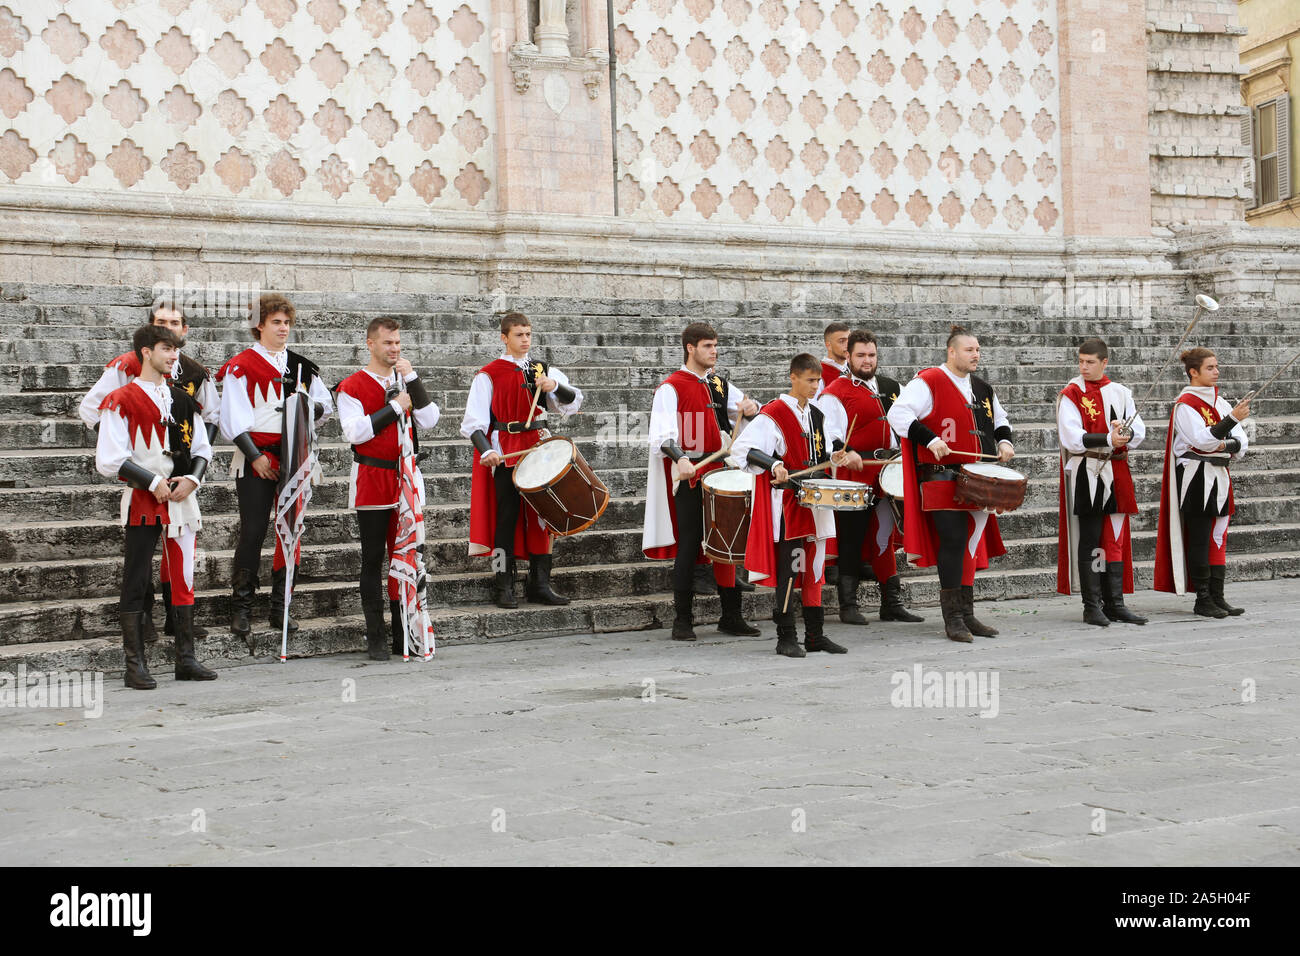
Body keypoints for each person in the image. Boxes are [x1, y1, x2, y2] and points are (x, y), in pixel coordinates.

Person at [79, 297, 219, 641]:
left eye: (174, 324)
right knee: (139, 561)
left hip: (179, 478)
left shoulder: (194, 373)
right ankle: (142, 622)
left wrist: (192, 470)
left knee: (181, 557)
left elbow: (209, 420)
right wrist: (125, 445)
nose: (168, 330)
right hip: (143, 475)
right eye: (161, 324)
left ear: (184, 330)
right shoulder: (125, 366)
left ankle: (178, 624)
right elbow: (92, 409)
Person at [886, 326, 1014, 643]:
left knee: (970, 544)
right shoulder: (928, 381)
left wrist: (1005, 442)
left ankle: (967, 614)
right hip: (941, 475)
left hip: (979, 476)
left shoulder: (982, 388)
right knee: (954, 539)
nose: (975, 355)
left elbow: (1000, 420)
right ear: (952, 351)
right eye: (969, 350)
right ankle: (953, 618)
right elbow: (898, 414)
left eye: (978, 350)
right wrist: (930, 440)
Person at [217, 293, 333, 640]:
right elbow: (231, 419)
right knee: (253, 531)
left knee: (291, 531)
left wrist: (304, 407)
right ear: (259, 325)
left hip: (295, 456)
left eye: (286, 322)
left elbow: (325, 407)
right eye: (276, 322)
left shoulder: (302, 367)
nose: (283, 328)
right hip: (256, 457)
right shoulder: (241, 366)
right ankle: (241, 608)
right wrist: (256, 456)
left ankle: (281, 606)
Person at [643, 322, 761, 641]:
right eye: (708, 346)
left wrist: (751, 408)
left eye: (715, 345)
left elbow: (749, 411)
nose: (714, 351)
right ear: (690, 348)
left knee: (725, 541)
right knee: (690, 542)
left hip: (720, 472)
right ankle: (682, 620)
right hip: (691, 475)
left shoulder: (719, 385)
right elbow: (662, 434)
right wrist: (680, 458)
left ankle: (731, 616)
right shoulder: (671, 387)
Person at [460, 312, 583, 608]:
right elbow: (473, 423)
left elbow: (573, 402)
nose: (525, 340)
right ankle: (502, 584)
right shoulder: (488, 374)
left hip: (539, 450)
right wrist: (487, 451)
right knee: (505, 518)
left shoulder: (542, 370)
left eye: (528, 334)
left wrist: (555, 387)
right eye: (519, 335)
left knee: (543, 517)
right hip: (507, 452)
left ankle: (540, 584)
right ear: (504, 338)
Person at [336, 318, 441, 660]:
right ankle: (375, 636)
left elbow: (430, 420)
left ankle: (403, 634)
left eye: (397, 342)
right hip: (372, 477)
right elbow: (355, 432)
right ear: (370, 344)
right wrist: (396, 406)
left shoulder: (405, 380)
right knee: (373, 558)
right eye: (387, 343)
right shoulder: (351, 386)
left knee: (405, 555)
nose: (394, 348)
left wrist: (413, 380)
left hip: (406, 479)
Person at [730, 353, 847, 657]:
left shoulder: (818, 414)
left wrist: (835, 457)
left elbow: (822, 453)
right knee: (792, 569)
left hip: (816, 502)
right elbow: (742, 449)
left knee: (815, 569)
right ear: (793, 377)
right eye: (810, 380)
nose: (815, 386)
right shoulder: (773, 414)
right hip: (788, 506)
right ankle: (786, 636)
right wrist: (774, 464)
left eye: (818, 380)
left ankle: (815, 635)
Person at [816, 330, 923, 625]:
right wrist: (845, 451)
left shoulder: (892, 387)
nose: (867, 361)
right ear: (848, 356)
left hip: (888, 471)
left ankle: (891, 602)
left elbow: (911, 420)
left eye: (872, 355)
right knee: (851, 536)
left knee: (884, 536)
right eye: (861, 355)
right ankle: (848, 605)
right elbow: (828, 435)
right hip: (854, 472)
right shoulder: (835, 392)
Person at [1056, 338, 1147, 626]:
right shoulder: (1072, 394)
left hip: (1116, 469)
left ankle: (1115, 603)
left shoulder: (1121, 392)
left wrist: (1125, 434)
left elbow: (1139, 430)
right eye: (1081, 361)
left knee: (1114, 539)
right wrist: (1108, 437)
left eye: (1090, 362)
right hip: (1088, 469)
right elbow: (1071, 437)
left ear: (1104, 362)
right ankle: (1091, 605)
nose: (1084, 367)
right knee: (1092, 539)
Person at [1154, 348, 1251, 617]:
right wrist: (1230, 424)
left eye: (1217, 366)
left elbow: (1241, 443)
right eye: (1210, 367)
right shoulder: (1185, 405)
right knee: (1199, 537)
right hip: (1196, 475)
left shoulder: (1221, 403)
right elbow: (1201, 441)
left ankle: (1218, 597)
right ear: (1193, 372)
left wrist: (1225, 442)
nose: (1216, 371)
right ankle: (1203, 599)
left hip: (1220, 473)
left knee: (1218, 537)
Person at [814, 322, 851, 398]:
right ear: (829, 346)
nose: (848, 345)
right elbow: (812, 404)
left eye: (849, 340)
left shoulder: (855, 368)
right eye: (842, 341)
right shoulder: (818, 373)